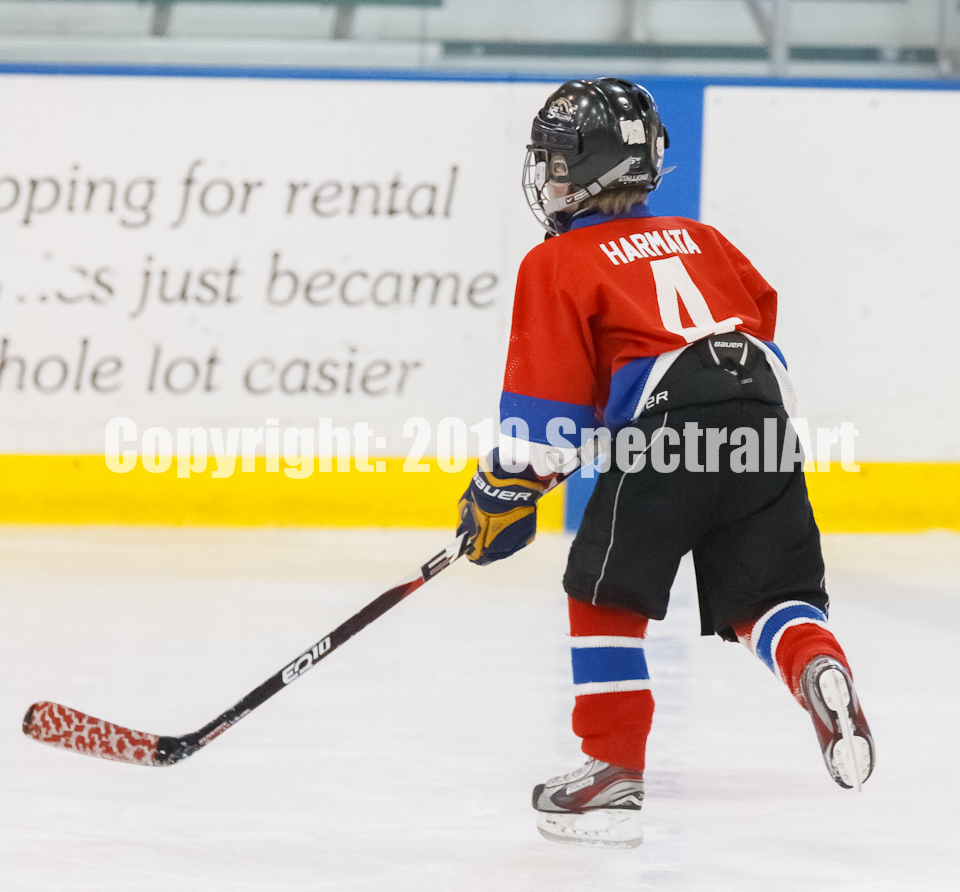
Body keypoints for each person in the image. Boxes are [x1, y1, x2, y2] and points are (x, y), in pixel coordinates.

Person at [456, 78, 875, 849]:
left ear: (588, 169)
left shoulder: (557, 261)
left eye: (556, 162)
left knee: (604, 593)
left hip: (667, 437)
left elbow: (546, 424)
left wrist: (501, 488)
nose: (547, 177)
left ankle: (611, 771)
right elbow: (754, 317)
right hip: (761, 424)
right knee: (767, 595)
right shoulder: (704, 239)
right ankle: (818, 663)